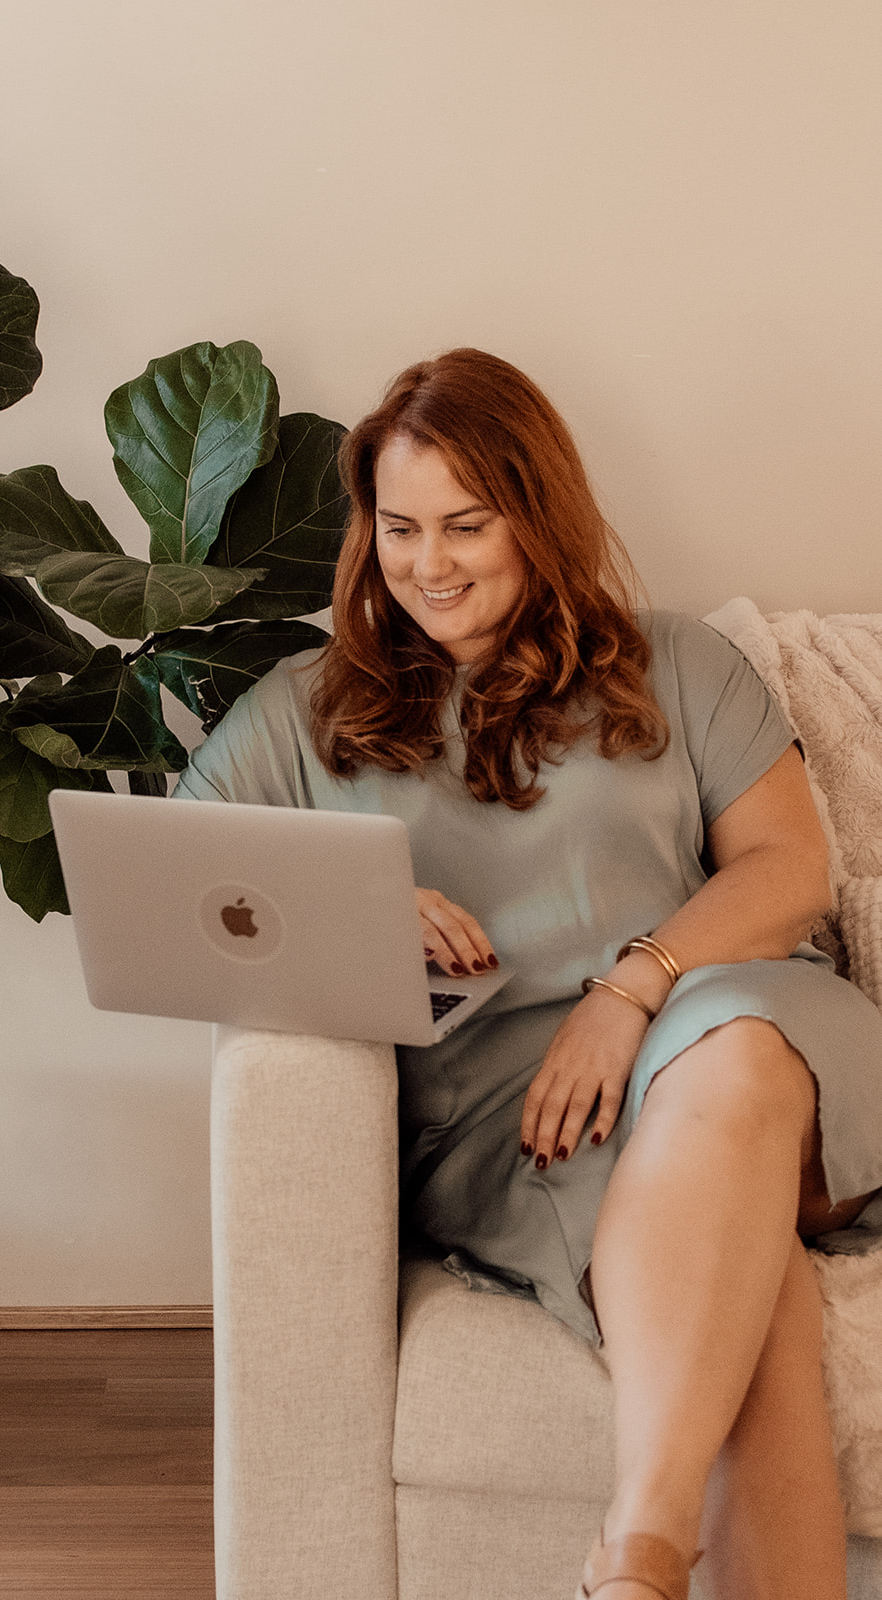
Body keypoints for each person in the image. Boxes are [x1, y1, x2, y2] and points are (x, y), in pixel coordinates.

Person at [175, 347, 882, 1600]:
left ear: (536, 516)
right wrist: (355, 906)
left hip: (732, 1021)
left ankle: (635, 1557)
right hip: (521, 1120)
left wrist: (628, 990)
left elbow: (786, 872)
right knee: (753, 1288)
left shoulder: (675, 662)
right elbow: (180, 896)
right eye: (399, 527)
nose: (428, 564)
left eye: (466, 523)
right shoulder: (301, 713)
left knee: (731, 1056)